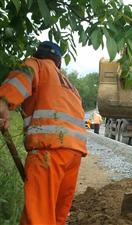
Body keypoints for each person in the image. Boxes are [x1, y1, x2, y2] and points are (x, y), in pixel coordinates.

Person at [0, 41, 87, 225]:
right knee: (56, 216)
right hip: (74, 153)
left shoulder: (37, 65)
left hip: (49, 150)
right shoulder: (70, 86)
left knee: (38, 216)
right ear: (59, 62)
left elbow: (21, 79)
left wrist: (3, 103)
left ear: (38, 55)